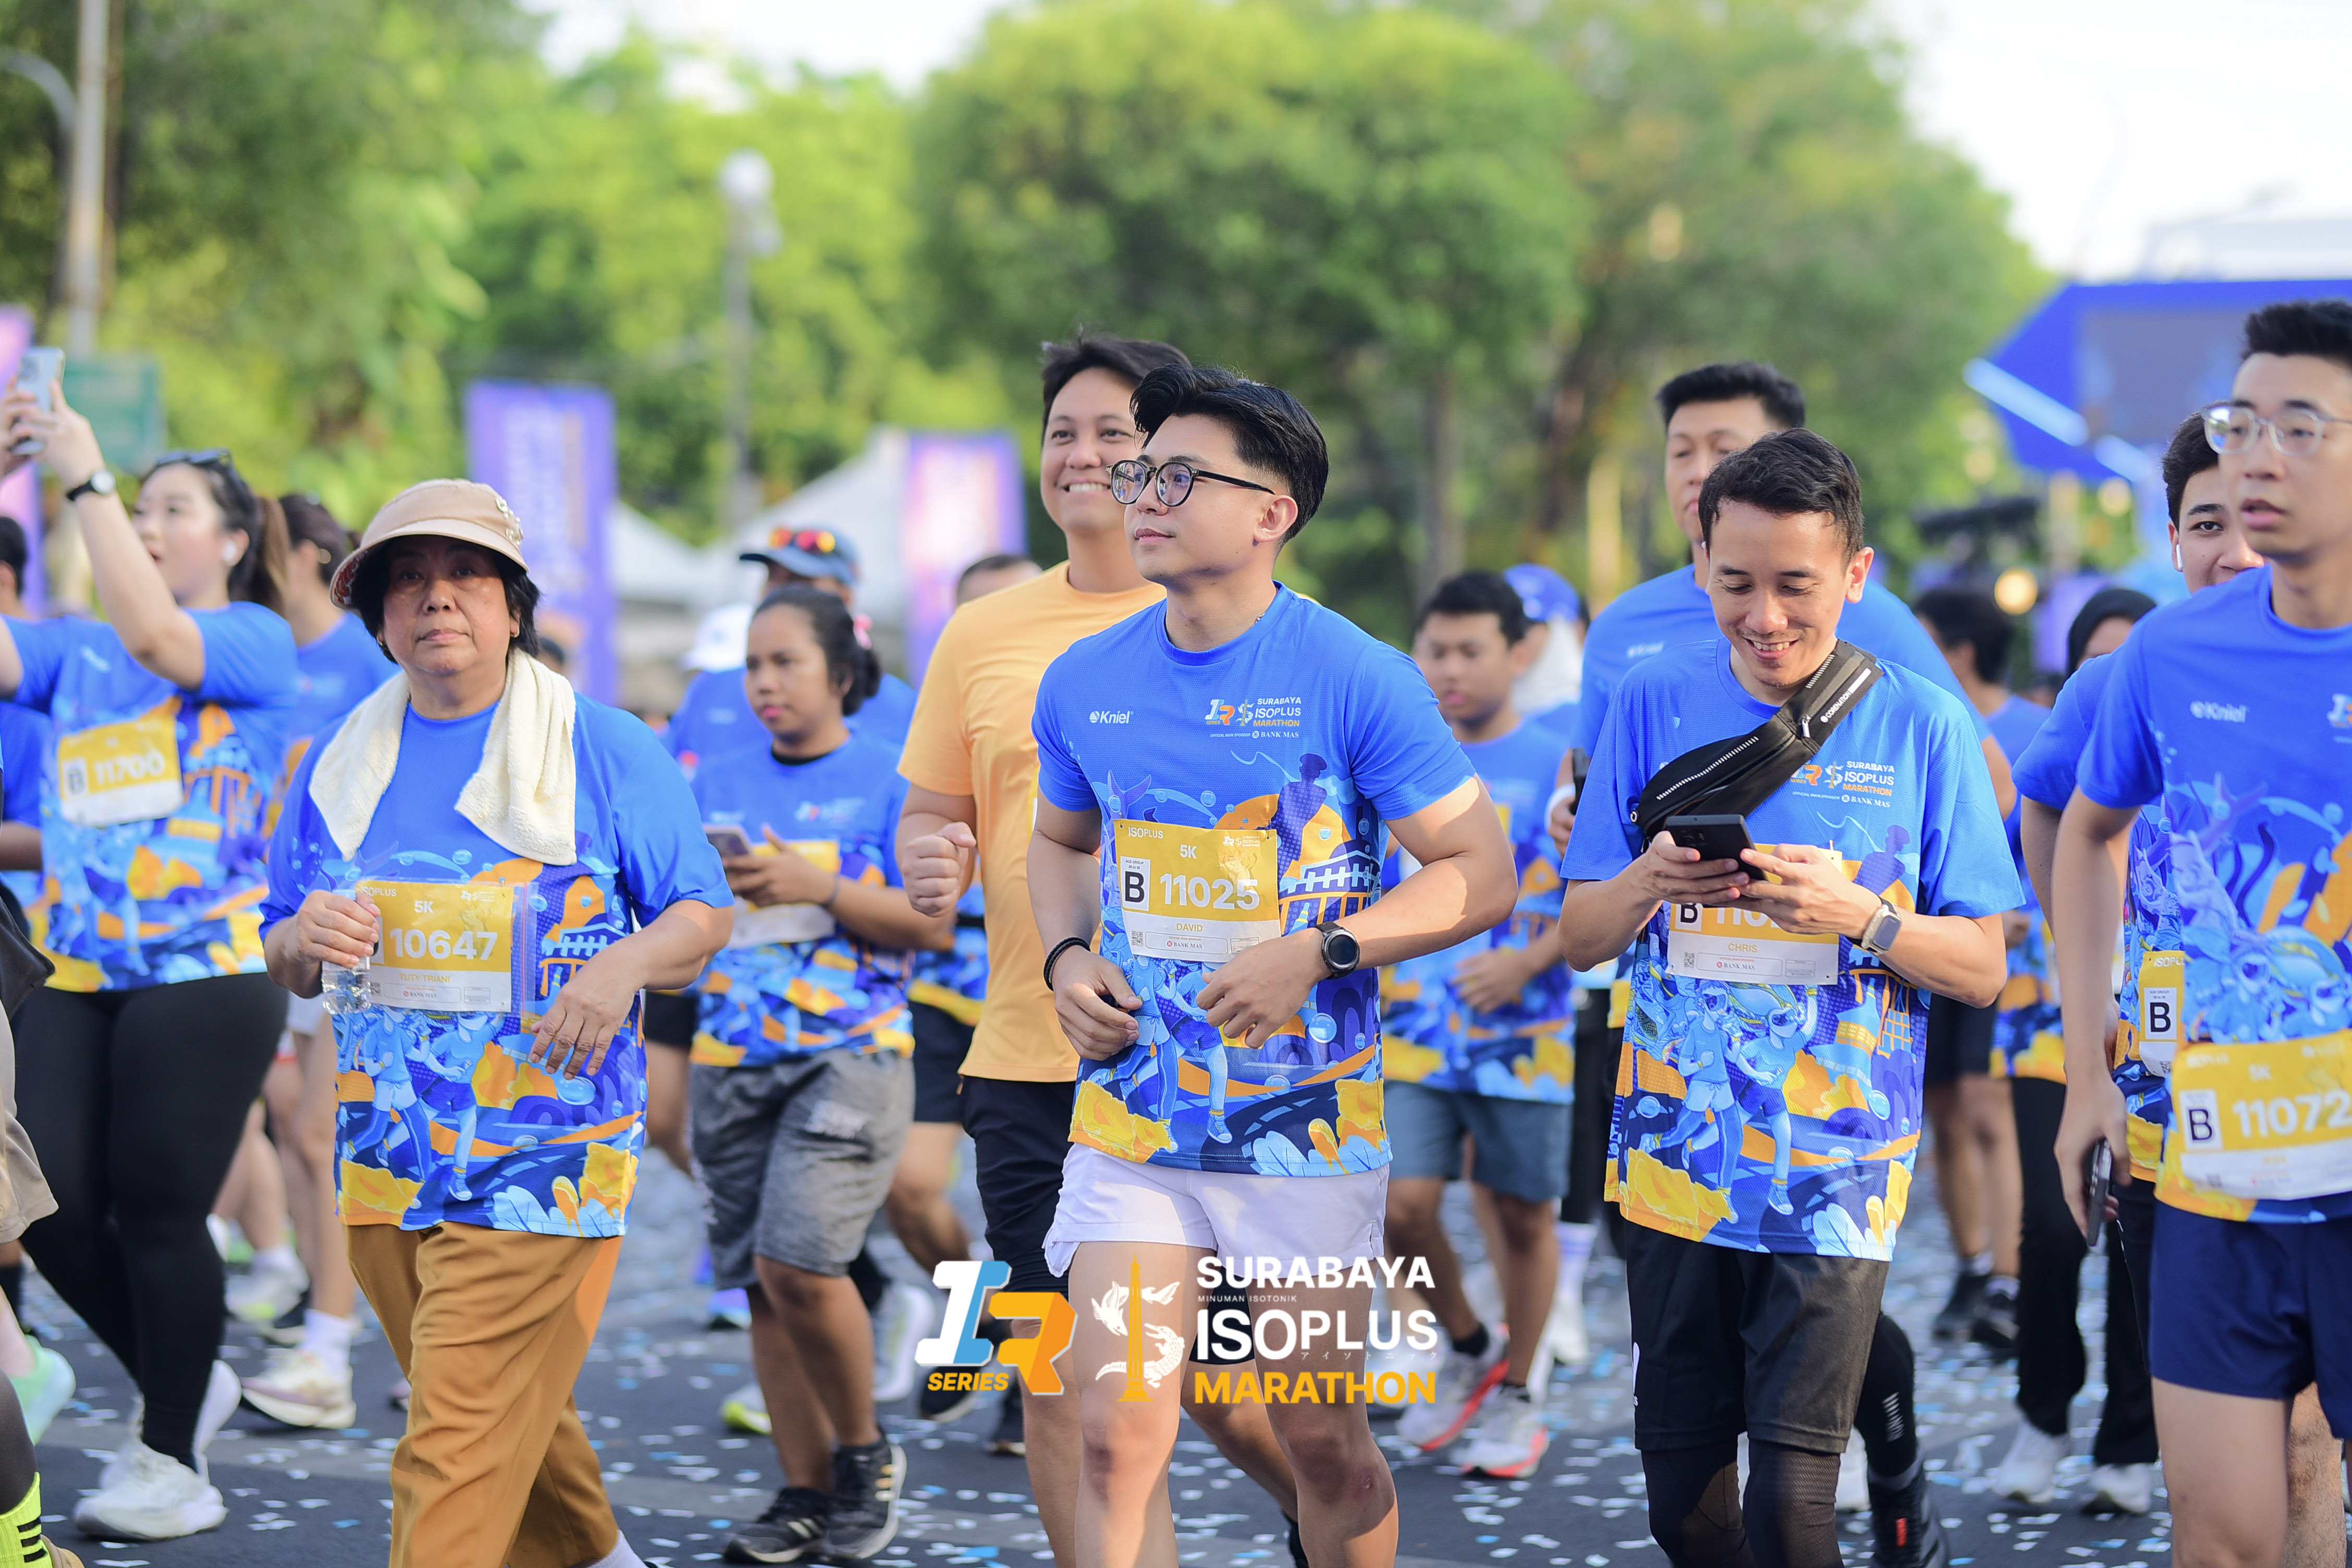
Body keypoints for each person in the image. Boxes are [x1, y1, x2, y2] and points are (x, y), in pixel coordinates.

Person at [1028, 362, 1515, 1568]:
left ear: (1271, 513)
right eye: (1141, 471)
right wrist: (1067, 954)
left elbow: (1480, 869)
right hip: (1134, 1116)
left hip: (1301, 1130)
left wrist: (1323, 949)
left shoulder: (1354, 675)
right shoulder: (1085, 679)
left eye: (1179, 476)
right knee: (1115, 1435)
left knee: (1322, 1443)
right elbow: (1061, 842)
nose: (1142, 493)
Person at [1559, 430, 2014, 1568]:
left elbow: (1983, 964)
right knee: (1685, 1510)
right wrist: (1647, 880)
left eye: (1796, 585)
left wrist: (1861, 914)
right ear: (1700, 566)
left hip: (1835, 1162)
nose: (1764, 617)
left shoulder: (1922, 720)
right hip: (1673, 1150)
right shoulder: (1650, 696)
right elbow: (1578, 937)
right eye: (1736, 584)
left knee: (1792, 1507)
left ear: (1855, 575)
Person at [262, 478, 732, 1568]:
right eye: (408, 581)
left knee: (454, 1435)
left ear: (513, 607)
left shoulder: (604, 745)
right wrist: (302, 935)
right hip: (387, 1152)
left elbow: (700, 913)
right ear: (379, 618)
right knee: (487, 1396)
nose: (437, 598)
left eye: (466, 574)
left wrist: (620, 967)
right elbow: (282, 945)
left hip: (546, 1152)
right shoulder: (333, 764)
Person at [2052, 300, 2352, 1568]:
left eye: (2301, 426)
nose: (2257, 456)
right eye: (2242, 424)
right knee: (2220, 1534)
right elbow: (2083, 833)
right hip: (2219, 1174)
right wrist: (2085, 1070)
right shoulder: (2168, 650)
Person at [895, 332, 1193, 1554]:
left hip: (1205, 1059)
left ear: (1171, 459)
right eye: (1061, 431)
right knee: (1062, 1376)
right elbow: (932, 809)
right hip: (1028, 1050)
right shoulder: (982, 633)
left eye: (1113, 432)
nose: (1081, 454)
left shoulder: (1231, 618)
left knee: (1222, 1395)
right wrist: (931, 855)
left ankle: (1318, 1515)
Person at [0, 382, 299, 1542]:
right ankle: (188, 1379)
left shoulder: (251, 638)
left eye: (176, 508)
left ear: (232, 541)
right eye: (142, 507)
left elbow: (157, 637)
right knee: (45, 1204)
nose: (151, 523)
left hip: (208, 968)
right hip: (77, 969)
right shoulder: (72, 652)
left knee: (164, 1208)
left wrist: (84, 475)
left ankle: (173, 1454)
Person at [689, 584, 953, 1565]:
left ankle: (865, 1456)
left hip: (851, 1053)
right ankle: (801, 1492)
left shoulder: (894, 780)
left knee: (800, 1261)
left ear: (842, 674)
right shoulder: (710, 781)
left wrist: (821, 886)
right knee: (764, 1286)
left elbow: (930, 924)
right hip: (729, 1058)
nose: (764, 682)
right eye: (752, 666)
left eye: (785, 662)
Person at [1917, 586, 2160, 1508]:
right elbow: (1991, 863)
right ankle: (2042, 1413)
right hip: (2043, 1019)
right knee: (2054, 1227)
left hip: (2160, 1031)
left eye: (2132, 656)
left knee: (2141, 1233)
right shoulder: (2048, 754)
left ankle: (2128, 1443)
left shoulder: (2184, 750)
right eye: (2097, 660)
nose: (2116, 677)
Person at [1560, 362, 2015, 825]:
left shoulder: (1876, 616)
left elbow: (1985, 791)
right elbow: (1586, 777)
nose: (1698, 472)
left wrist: (1868, 859)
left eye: (1725, 450)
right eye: (1680, 452)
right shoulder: (1620, 626)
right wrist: (1565, 812)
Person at [1380, 570, 1572, 1477]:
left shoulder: (1558, 759)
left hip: (1525, 1034)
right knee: (1398, 1206)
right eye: (1436, 650)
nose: (1450, 669)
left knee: (1524, 1217)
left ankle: (1521, 1389)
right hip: (1411, 1027)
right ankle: (1466, 1342)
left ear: (1518, 652)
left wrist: (1526, 963)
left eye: (1470, 650)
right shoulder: (1396, 756)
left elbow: (1606, 891)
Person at [240, 494, 397, 1428]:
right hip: (301, 913)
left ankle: (335, 1346)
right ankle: (332, 1323)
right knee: (306, 1132)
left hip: (378, 929)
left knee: (329, 1132)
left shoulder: (369, 657)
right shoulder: (264, 656)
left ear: (303, 555)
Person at [899, 552, 1041, 1430]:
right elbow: (913, 832)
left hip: (1050, 1000)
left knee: (1045, 1223)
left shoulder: (1094, 699)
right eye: (973, 616)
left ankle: (1030, 1372)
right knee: (910, 1190)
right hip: (949, 994)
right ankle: (985, 1320)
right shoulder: (943, 710)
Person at [1910, 587, 2034, 1349]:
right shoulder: (1915, 719)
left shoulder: (2028, 729)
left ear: (1956, 653)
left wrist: (2028, 918)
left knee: (1990, 1110)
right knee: (1946, 1112)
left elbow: (2062, 845)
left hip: (2008, 954)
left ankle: (2009, 1280)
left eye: (1919, 639)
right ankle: (1969, 1263)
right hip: (1925, 944)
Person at [665, 530, 914, 779]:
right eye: (773, 580)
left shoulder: (901, 708)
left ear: (846, 597)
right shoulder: (711, 690)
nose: (782, 596)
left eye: (800, 583)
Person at [1503, 562, 1582, 746]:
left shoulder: (1586, 722)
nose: (1514, 636)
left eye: (1526, 625)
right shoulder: (1461, 715)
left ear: (1560, 631)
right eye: (1505, 625)